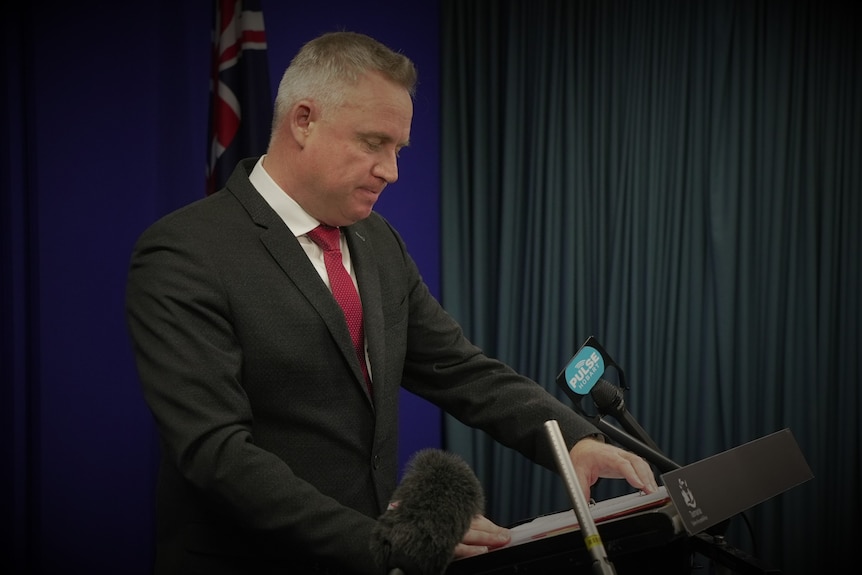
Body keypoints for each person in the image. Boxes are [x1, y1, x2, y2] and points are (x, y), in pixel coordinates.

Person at [125, 30, 658, 575]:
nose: (391, 170)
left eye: (398, 149)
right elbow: (216, 455)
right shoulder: (185, 252)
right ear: (303, 121)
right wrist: (381, 543)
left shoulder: (378, 241)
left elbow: (460, 370)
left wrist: (574, 441)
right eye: (373, 142)